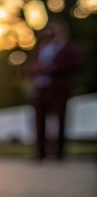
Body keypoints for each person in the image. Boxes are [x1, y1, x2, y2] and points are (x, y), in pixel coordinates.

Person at [25, 17, 83, 161]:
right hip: (41, 88)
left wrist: (52, 68)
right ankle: (41, 151)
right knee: (39, 120)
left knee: (60, 119)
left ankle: (60, 152)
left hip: (58, 88)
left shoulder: (68, 48)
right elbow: (34, 66)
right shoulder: (41, 49)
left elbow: (76, 66)